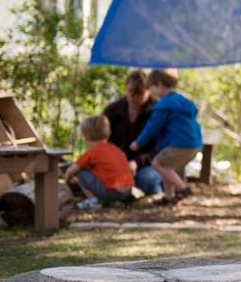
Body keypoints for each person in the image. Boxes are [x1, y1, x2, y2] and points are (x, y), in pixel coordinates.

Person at [130, 68, 203, 205]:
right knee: (167, 167)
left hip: (179, 144)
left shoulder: (163, 105)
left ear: (159, 85)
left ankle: (183, 189)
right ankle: (169, 197)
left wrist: (138, 143)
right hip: (194, 144)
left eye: (151, 89)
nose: (151, 94)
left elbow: (152, 127)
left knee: (157, 163)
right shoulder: (184, 102)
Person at [103, 69, 164, 196]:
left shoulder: (158, 111)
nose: (133, 96)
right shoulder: (112, 111)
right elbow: (103, 142)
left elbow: (161, 148)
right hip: (117, 163)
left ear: (149, 92)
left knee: (147, 181)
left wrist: (137, 162)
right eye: (130, 91)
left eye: (139, 93)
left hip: (148, 165)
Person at [65, 114, 135, 211]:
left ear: (85, 136)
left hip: (111, 192)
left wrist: (66, 181)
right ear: (108, 133)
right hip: (127, 192)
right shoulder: (116, 149)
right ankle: (113, 201)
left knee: (81, 173)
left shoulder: (92, 152)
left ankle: (93, 201)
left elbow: (70, 171)